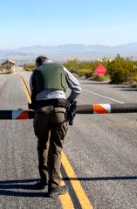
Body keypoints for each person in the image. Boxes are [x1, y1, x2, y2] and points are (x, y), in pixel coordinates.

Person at [29, 55, 81, 196]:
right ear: (49, 60)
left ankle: (43, 180)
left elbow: (33, 96)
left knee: (42, 144)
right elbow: (77, 88)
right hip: (59, 111)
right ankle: (54, 186)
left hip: (41, 112)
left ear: (38, 63)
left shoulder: (35, 73)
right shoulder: (61, 68)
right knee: (56, 147)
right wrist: (68, 102)